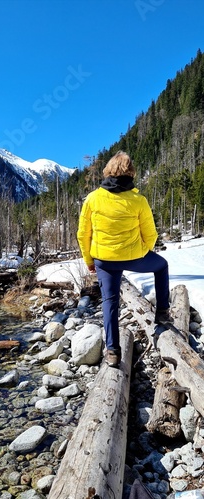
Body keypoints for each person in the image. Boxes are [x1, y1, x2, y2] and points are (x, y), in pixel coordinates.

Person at [77, 151, 171, 368]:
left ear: (108, 170)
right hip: (134, 257)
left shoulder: (93, 198)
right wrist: (141, 251)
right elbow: (151, 234)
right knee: (162, 266)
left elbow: (83, 234)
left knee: (110, 302)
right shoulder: (138, 200)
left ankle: (112, 352)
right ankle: (163, 314)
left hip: (104, 261)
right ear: (131, 173)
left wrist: (89, 261)